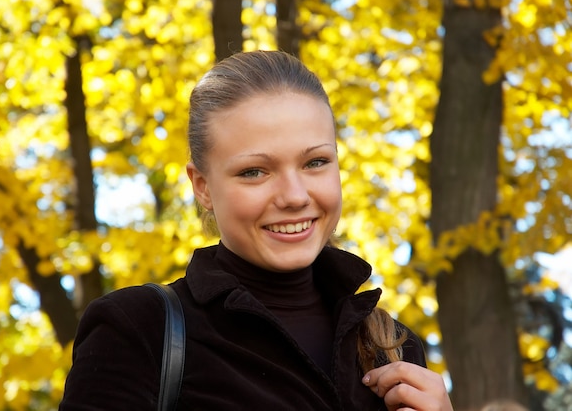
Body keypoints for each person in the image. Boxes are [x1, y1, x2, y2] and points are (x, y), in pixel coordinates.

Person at [60, 50, 453, 410]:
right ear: (202, 187)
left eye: (315, 162)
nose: (295, 196)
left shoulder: (395, 349)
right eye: (254, 172)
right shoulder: (138, 331)